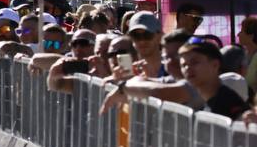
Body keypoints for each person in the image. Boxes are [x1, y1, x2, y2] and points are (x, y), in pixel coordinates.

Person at [102, 39, 250, 120]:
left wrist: (124, 87)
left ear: (215, 65)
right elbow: (155, 84)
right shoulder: (193, 85)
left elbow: (160, 92)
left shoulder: (233, 81)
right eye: (184, 64)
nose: (188, 68)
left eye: (195, 62)